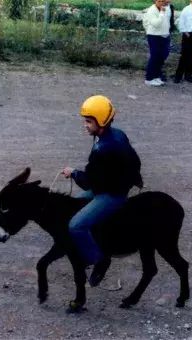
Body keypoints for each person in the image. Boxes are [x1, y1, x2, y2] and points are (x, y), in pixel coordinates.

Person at [61, 95, 143, 287]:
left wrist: (72, 172)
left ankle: (99, 260)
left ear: (102, 122)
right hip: (114, 186)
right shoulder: (119, 134)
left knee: (75, 225)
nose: (85, 125)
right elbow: (135, 160)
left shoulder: (101, 149)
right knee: (75, 205)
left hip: (112, 195)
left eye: (89, 121)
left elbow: (91, 184)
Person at [143, 0, 171, 86]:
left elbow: (167, 21)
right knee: (154, 57)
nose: (161, 3)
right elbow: (156, 24)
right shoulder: (152, 10)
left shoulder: (165, 8)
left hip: (164, 35)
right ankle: (149, 78)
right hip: (154, 36)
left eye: (162, 1)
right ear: (155, 1)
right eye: (159, 1)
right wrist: (162, 13)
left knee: (161, 57)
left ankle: (156, 77)